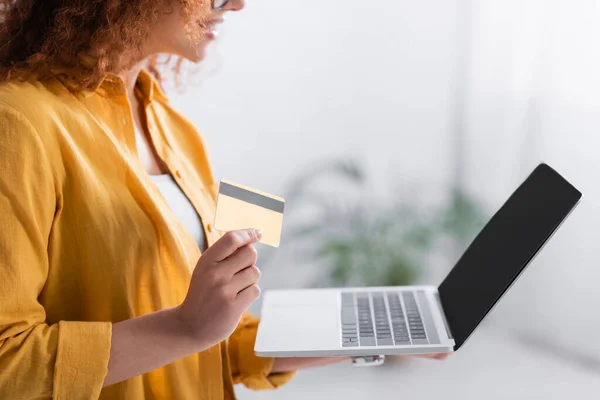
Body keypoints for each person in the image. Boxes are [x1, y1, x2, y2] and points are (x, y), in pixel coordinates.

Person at [0, 0, 449, 399]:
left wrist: (360, 334)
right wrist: (185, 328)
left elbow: (200, 338)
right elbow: (8, 364)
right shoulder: (19, 123)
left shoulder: (171, 126)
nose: (236, 5)